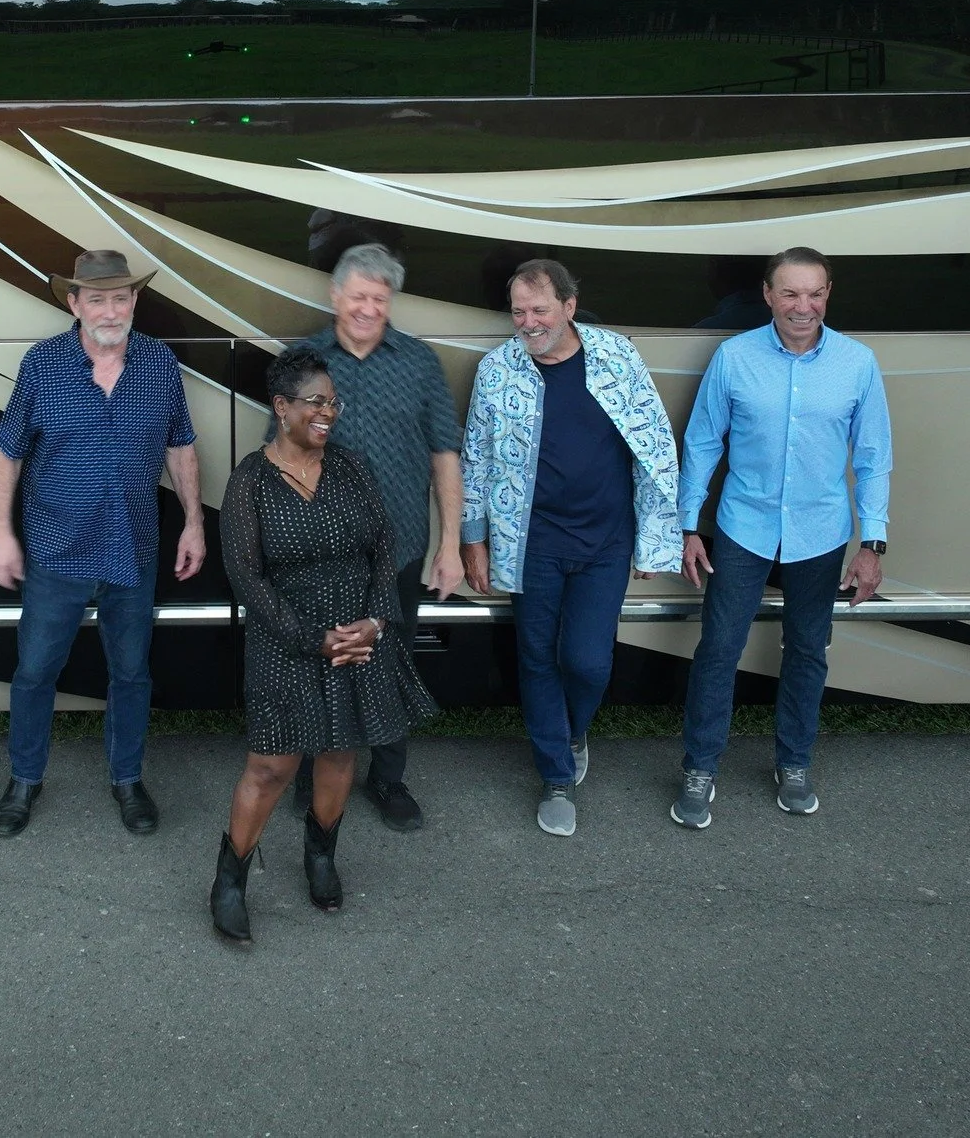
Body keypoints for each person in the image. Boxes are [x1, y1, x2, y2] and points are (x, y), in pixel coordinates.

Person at [209, 347, 437, 944]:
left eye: (333, 402)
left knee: (340, 752)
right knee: (272, 765)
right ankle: (230, 878)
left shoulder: (353, 467)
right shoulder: (249, 482)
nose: (328, 412)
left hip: (356, 636)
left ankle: (320, 855)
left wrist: (376, 623)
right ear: (281, 407)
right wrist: (314, 638)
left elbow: (386, 547)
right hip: (286, 641)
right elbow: (247, 579)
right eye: (316, 402)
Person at [0, 250, 206, 839]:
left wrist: (193, 521)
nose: (111, 309)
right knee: (35, 671)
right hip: (56, 548)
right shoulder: (43, 365)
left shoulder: (159, 363)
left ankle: (127, 779)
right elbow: (8, 452)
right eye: (98, 298)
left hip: (132, 546)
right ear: (74, 303)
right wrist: (0, 532)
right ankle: (24, 780)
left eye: (121, 297)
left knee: (131, 672)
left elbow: (180, 445)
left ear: (134, 302)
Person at [459, 259, 683, 838]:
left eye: (539, 310)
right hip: (531, 542)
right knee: (536, 656)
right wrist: (473, 539)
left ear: (569, 307)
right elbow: (476, 460)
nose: (528, 323)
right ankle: (555, 775)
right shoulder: (497, 370)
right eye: (519, 312)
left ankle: (574, 730)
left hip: (606, 541)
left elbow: (655, 443)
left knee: (587, 660)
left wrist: (658, 536)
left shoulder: (615, 357)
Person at [672, 246, 892, 829]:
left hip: (820, 534)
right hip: (742, 528)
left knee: (807, 652)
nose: (803, 306)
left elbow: (873, 459)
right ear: (767, 295)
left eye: (814, 293)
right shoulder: (734, 357)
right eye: (790, 293)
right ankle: (700, 768)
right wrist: (689, 526)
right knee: (719, 651)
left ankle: (794, 763)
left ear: (828, 293)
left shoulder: (857, 363)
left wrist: (875, 543)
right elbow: (700, 446)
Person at [282, 243, 460, 832]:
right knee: (317, 655)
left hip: (398, 547)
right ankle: (309, 770)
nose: (367, 308)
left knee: (388, 661)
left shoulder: (418, 362)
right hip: (317, 547)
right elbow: (279, 454)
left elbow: (444, 453)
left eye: (379, 299)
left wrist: (451, 543)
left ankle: (388, 778)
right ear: (335, 296)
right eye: (358, 296)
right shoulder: (302, 361)